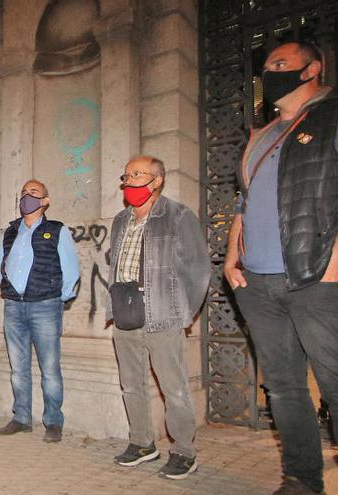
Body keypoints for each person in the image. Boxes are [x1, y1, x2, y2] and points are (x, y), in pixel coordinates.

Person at [224, 41, 337, 495]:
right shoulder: (262, 135)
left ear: (313, 68)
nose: (271, 72)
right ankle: (302, 480)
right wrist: (233, 256)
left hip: (316, 274)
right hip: (257, 281)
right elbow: (244, 201)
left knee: (334, 379)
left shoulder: (331, 116)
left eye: (281, 64)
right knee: (286, 387)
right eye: (267, 66)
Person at [107, 157, 209, 480]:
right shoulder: (121, 220)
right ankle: (141, 443)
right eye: (127, 175)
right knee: (131, 385)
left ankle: (183, 451)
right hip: (126, 312)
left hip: (162, 315)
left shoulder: (177, 216)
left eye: (139, 174)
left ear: (158, 180)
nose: (131, 180)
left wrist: (183, 311)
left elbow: (199, 269)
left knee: (173, 387)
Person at [0, 180, 80, 443]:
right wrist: (9, 287)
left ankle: (53, 421)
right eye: (23, 193)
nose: (27, 197)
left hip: (45, 307)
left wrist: (55, 298)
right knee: (18, 368)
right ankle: (21, 418)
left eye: (33, 193)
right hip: (14, 307)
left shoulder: (57, 230)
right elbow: (0, 267)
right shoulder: (10, 231)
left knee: (50, 368)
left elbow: (71, 272)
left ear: (45, 201)